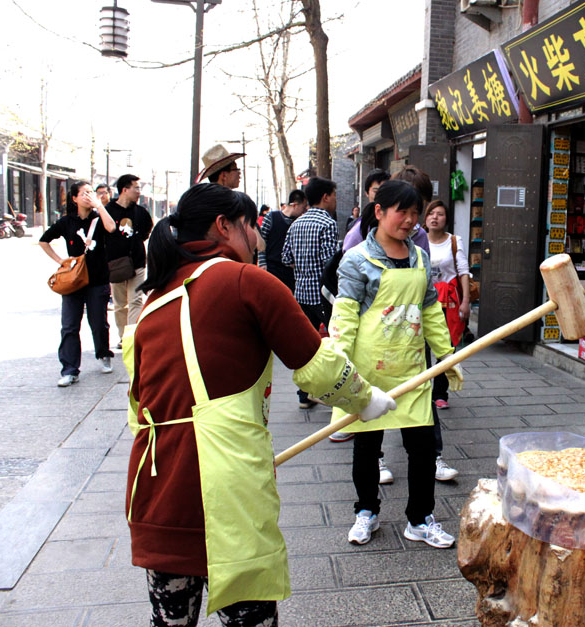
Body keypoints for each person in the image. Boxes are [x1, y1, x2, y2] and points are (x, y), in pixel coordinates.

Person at [124, 183, 395, 626]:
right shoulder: (243, 280)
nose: (259, 239)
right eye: (252, 226)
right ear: (224, 226)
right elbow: (315, 364)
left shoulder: (152, 303)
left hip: (154, 488)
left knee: (170, 621)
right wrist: (365, 399)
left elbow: (137, 407)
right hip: (223, 484)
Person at [330, 180, 463, 547]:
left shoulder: (420, 257)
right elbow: (345, 315)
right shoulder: (357, 260)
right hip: (369, 373)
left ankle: (420, 519)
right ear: (379, 212)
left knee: (422, 448)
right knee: (367, 447)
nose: (409, 220)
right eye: (401, 211)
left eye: (414, 212)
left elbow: (431, 310)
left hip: (412, 368)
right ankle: (366, 512)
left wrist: (447, 355)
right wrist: (340, 367)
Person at [39, 181, 117, 386]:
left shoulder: (99, 218)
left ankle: (103, 354)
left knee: (98, 322)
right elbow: (44, 240)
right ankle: (70, 369)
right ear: (74, 198)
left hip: (98, 279)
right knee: (69, 326)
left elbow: (112, 227)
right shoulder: (67, 222)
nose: (88, 196)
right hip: (74, 280)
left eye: (91, 192)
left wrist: (99, 205)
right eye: (84, 193)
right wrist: (60, 261)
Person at [281, 177, 339, 410]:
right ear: (325, 197)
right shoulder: (328, 224)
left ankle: (304, 394)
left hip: (301, 294)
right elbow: (330, 262)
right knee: (336, 342)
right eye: (334, 195)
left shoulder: (296, 223)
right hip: (324, 295)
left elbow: (286, 258)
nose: (336, 200)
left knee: (307, 345)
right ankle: (335, 391)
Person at [424, 199, 470, 481]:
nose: (435, 218)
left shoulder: (454, 241)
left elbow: (463, 271)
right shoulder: (416, 238)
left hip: (449, 301)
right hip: (426, 300)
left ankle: (440, 392)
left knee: (447, 347)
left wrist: (466, 301)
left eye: (440, 214)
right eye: (431, 213)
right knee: (424, 350)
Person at [105, 174, 154, 349]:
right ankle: (122, 336)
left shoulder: (140, 212)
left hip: (137, 262)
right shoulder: (108, 210)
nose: (139, 192)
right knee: (120, 304)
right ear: (125, 190)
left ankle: (132, 337)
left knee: (135, 300)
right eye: (136, 188)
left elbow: (148, 230)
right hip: (115, 263)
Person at [259, 190, 306, 294]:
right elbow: (262, 241)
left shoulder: (298, 223)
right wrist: (262, 263)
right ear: (295, 205)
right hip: (271, 268)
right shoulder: (271, 217)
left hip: (290, 271)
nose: (303, 212)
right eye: (302, 208)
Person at [343, 168, 389, 251]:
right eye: (376, 191)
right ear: (367, 193)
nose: (381, 195)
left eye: (385, 191)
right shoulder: (357, 227)